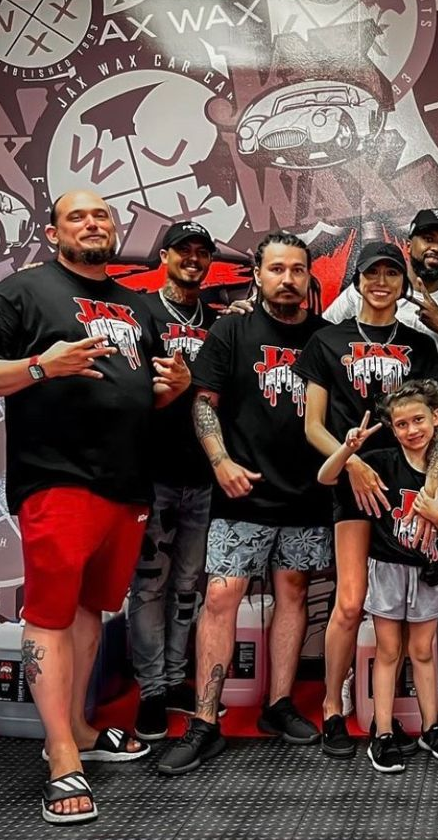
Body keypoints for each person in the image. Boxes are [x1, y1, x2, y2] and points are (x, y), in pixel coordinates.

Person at [0, 190, 191, 824]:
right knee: (52, 614)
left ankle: (80, 729)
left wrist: (174, 391)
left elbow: (142, 395)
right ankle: (60, 758)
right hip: (56, 478)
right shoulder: (24, 292)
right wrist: (39, 366)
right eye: (78, 215)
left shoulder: (136, 306)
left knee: (89, 610)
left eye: (102, 214)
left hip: (128, 485)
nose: (93, 222)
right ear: (53, 233)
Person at [157, 231, 332, 776]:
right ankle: (205, 720)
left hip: (306, 494)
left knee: (294, 593)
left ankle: (277, 705)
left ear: (308, 277)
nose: (287, 279)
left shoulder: (325, 339)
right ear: (257, 275)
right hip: (242, 492)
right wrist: (221, 463)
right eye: (276, 269)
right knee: (222, 594)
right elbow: (203, 403)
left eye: (297, 270)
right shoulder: (231, 330)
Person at [294, 241, 438, 758]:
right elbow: (313, 425)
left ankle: (412, 719)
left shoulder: (421, 346)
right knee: (351, 601)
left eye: (391, 274)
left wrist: (432, 488)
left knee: (415, 609)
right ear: (357, 280)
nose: (381, 282)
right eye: (372, 273)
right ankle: (332, 710)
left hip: (409, 491)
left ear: (403, 284)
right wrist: (352, 462)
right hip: (355, 484)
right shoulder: (326, 341)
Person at [318, 380, 438, 773]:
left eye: (418, 420)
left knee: (423, 650)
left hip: (429, 573)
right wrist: (348, 450)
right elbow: (325, 477)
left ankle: (431, 727)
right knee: (387, 651)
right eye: (401, 424)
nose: (412, 430)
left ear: (436, 419)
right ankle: (382, 733)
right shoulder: (381, 462)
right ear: (392, 428)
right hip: (386, 570)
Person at [128, 221, 219, 740]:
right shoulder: (142, 312)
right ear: (163, 255)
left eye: (200, 251)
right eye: (183, 249)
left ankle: (174, 675)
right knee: (149, 586)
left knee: (188, 585)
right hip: (154, 473)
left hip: (202, 474)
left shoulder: (220, 321)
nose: (192, 258)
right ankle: (150, 691)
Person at [323, 209, 438, 357]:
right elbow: (321, 338)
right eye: (428, 239)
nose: (437, 248)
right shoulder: (366, 291)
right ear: (409, 246)